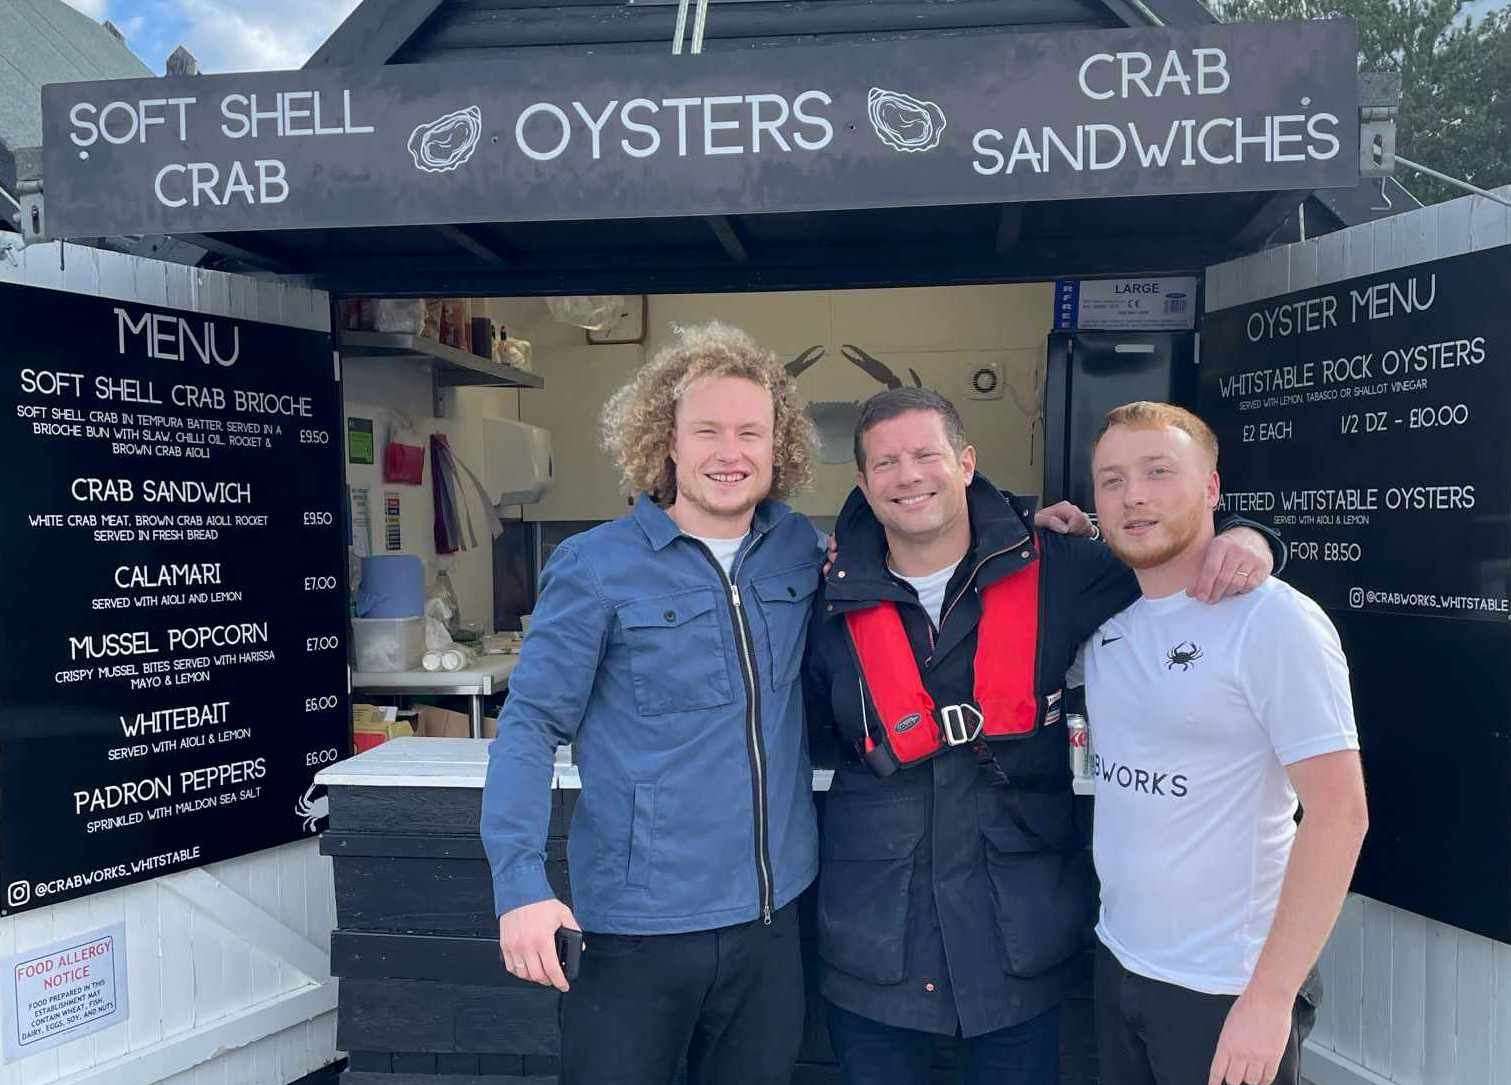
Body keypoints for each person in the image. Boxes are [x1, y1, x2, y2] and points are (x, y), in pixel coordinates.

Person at [803, 387, 1283, 1085]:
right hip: (874, 952)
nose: (907, 476)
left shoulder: (1058, 568)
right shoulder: (819, 592)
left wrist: (1250, 535)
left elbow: (1164, 546)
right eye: (885, 462)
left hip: (1015, 954)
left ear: (965, 462)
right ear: (862, 481)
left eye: (925, 454)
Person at [479, 322, 827, 1084]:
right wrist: (520, 885)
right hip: (635, 931)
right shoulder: (597, 566)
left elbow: (913, 541)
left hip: (770, 926)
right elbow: (530, 725)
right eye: (706, 430)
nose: (729, 451)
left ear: (779, 445)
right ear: (666, 441)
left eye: (750, 431)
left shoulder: (800, 548)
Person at [1076, 402, 1367, 1085]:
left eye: (1157, 471)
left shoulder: (1274, 621)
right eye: (1111, 480)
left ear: (1210, 488)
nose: (1134, 494)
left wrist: (1267, 1000)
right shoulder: (1104, 617)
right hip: (1117, 959)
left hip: (1225, 984)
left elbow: (1338, 816)